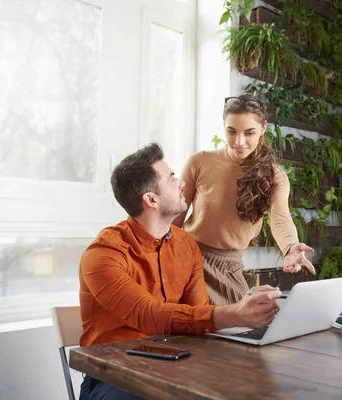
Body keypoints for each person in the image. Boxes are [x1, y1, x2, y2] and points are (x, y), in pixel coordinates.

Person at [78, 143, 282, 400]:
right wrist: (233, 314)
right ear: (151, 199)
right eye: (172, 178)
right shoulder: (103, 254)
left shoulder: (186, 245)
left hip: (177, 365)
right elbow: (148, 314)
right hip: (113, 375)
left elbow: (198, 320)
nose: (182, 183)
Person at [173, 94, 316, 306]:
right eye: (231, 131)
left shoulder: (275, 176)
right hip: (188, 257)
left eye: (249, 133)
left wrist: (290, 247)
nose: (239, 142)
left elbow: (280, 218)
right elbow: (174, 216)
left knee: (236, 331)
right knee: (187, 328)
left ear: (263, 128)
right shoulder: (199, 162)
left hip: (229, 268)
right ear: (224, 127)